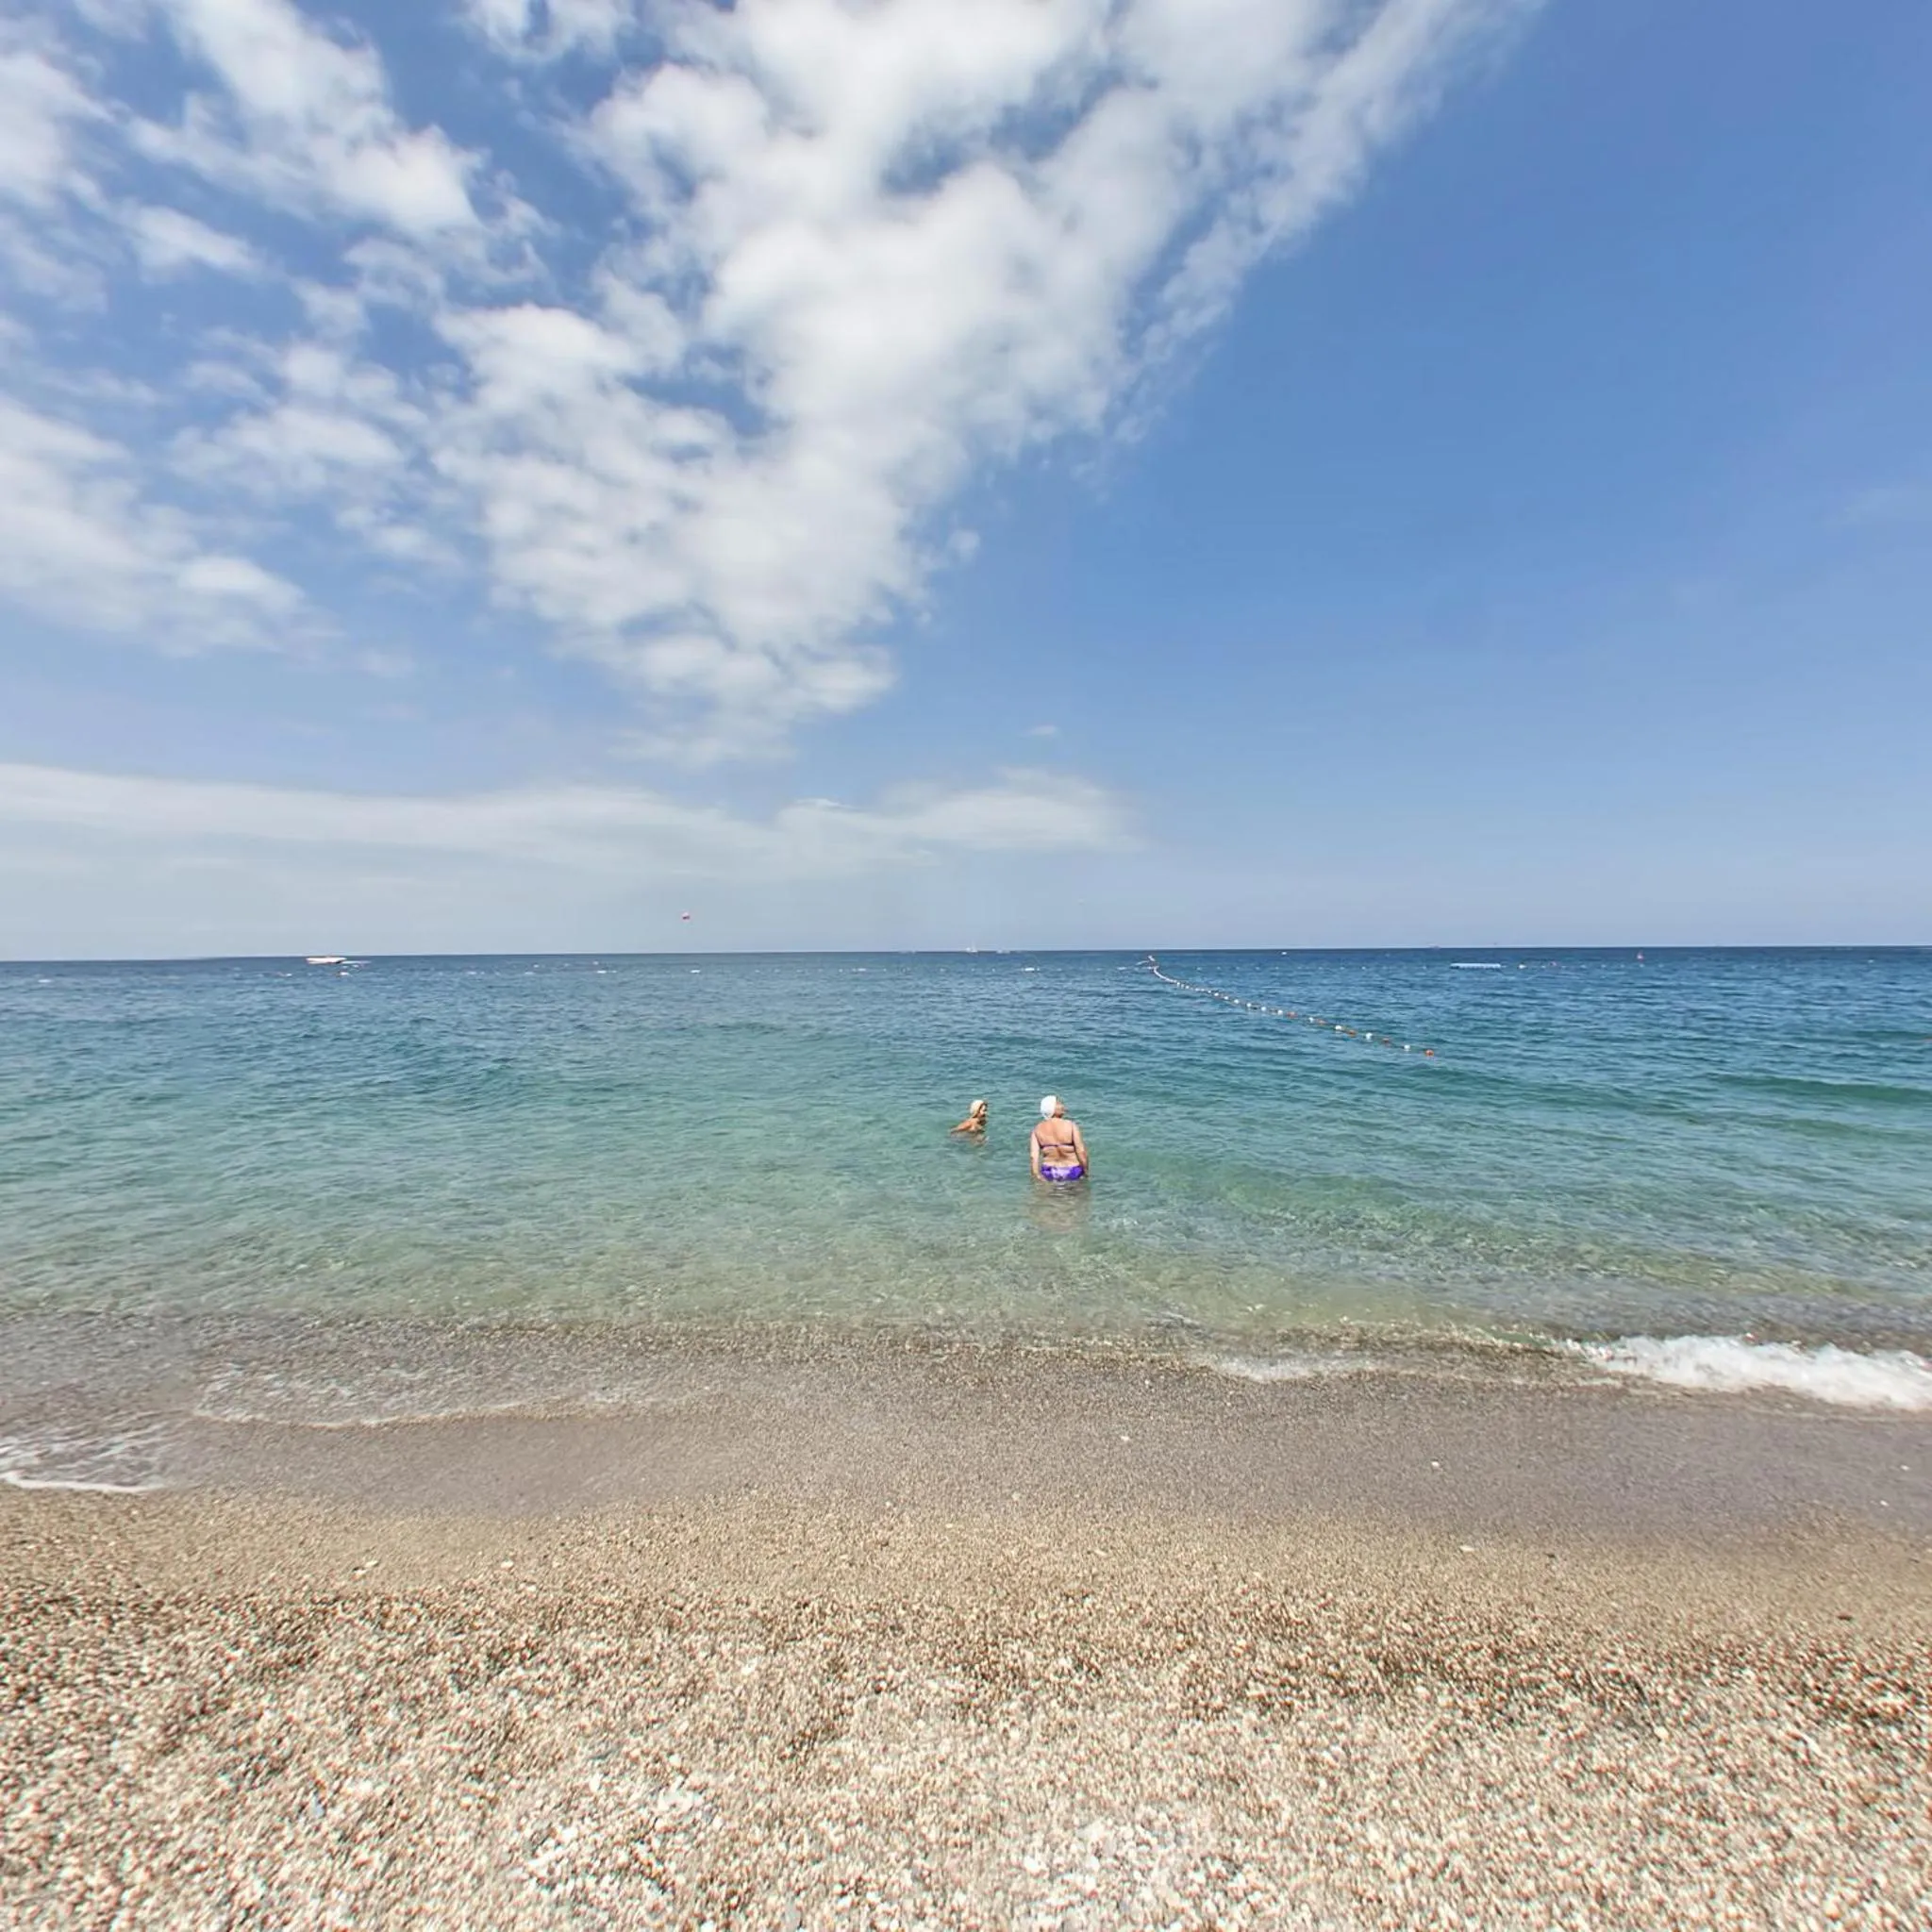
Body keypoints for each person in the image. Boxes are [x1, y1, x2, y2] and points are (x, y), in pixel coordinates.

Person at [1030, 1094, 1089, 1182]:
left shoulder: (1037, 1130)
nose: (1063, 1106)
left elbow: (1033, 1156)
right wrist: (1086, 1171)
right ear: (1052, 1108)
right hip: (1072, 1170)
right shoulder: (1071, 1125)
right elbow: (1081, 1151)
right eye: (1059, 1103)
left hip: (1049, 1172)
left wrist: (1037, 1175)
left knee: (1052, 1196)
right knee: (1076, 1195)